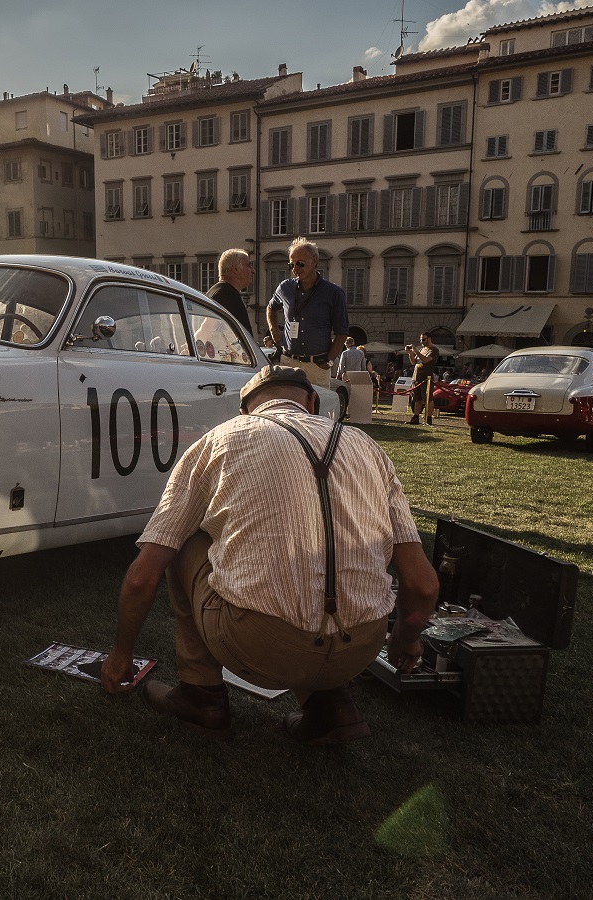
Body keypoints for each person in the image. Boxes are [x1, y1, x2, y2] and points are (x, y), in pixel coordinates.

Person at [100, 365, 439, 744]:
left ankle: (201, 695)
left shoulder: (221, 439)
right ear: (312, 402)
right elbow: (423, 586)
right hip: (361, 647)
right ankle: (332, 706)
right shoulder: (368, 447)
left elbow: (143, 574)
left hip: (260, 645)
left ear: (244, 410)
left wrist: (121, 654)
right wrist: (406, 639)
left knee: (179, 542)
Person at [265, 237, 349, 385]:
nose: (295, 269)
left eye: (300, 263)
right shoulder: (285, 288)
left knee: (317, 408)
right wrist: (275, 330)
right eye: (291, 264)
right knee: (288, 407)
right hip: (288, 362)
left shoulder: (333, 293)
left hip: (316, 366)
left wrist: (328, 363)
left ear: (315, 260)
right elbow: (271, 307)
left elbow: (342, 332)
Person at [206, 249, 254, 333]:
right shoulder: (224, 295)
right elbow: (205, 330)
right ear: (236, 268)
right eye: (249, 265)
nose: (253, 270)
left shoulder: (223, 292)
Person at [405, 332, 438, 425]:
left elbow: (426, 360)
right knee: (417, 399)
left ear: (429, 339)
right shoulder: (422, 349)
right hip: (417, 378)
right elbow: (413, 362)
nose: (421, 341)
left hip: (426, 378)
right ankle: (415, 417)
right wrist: (410, 353)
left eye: (423, 339)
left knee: (428, 399)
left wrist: (416, 351)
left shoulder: (434, 350)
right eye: (420, 339)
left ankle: (428, 418)